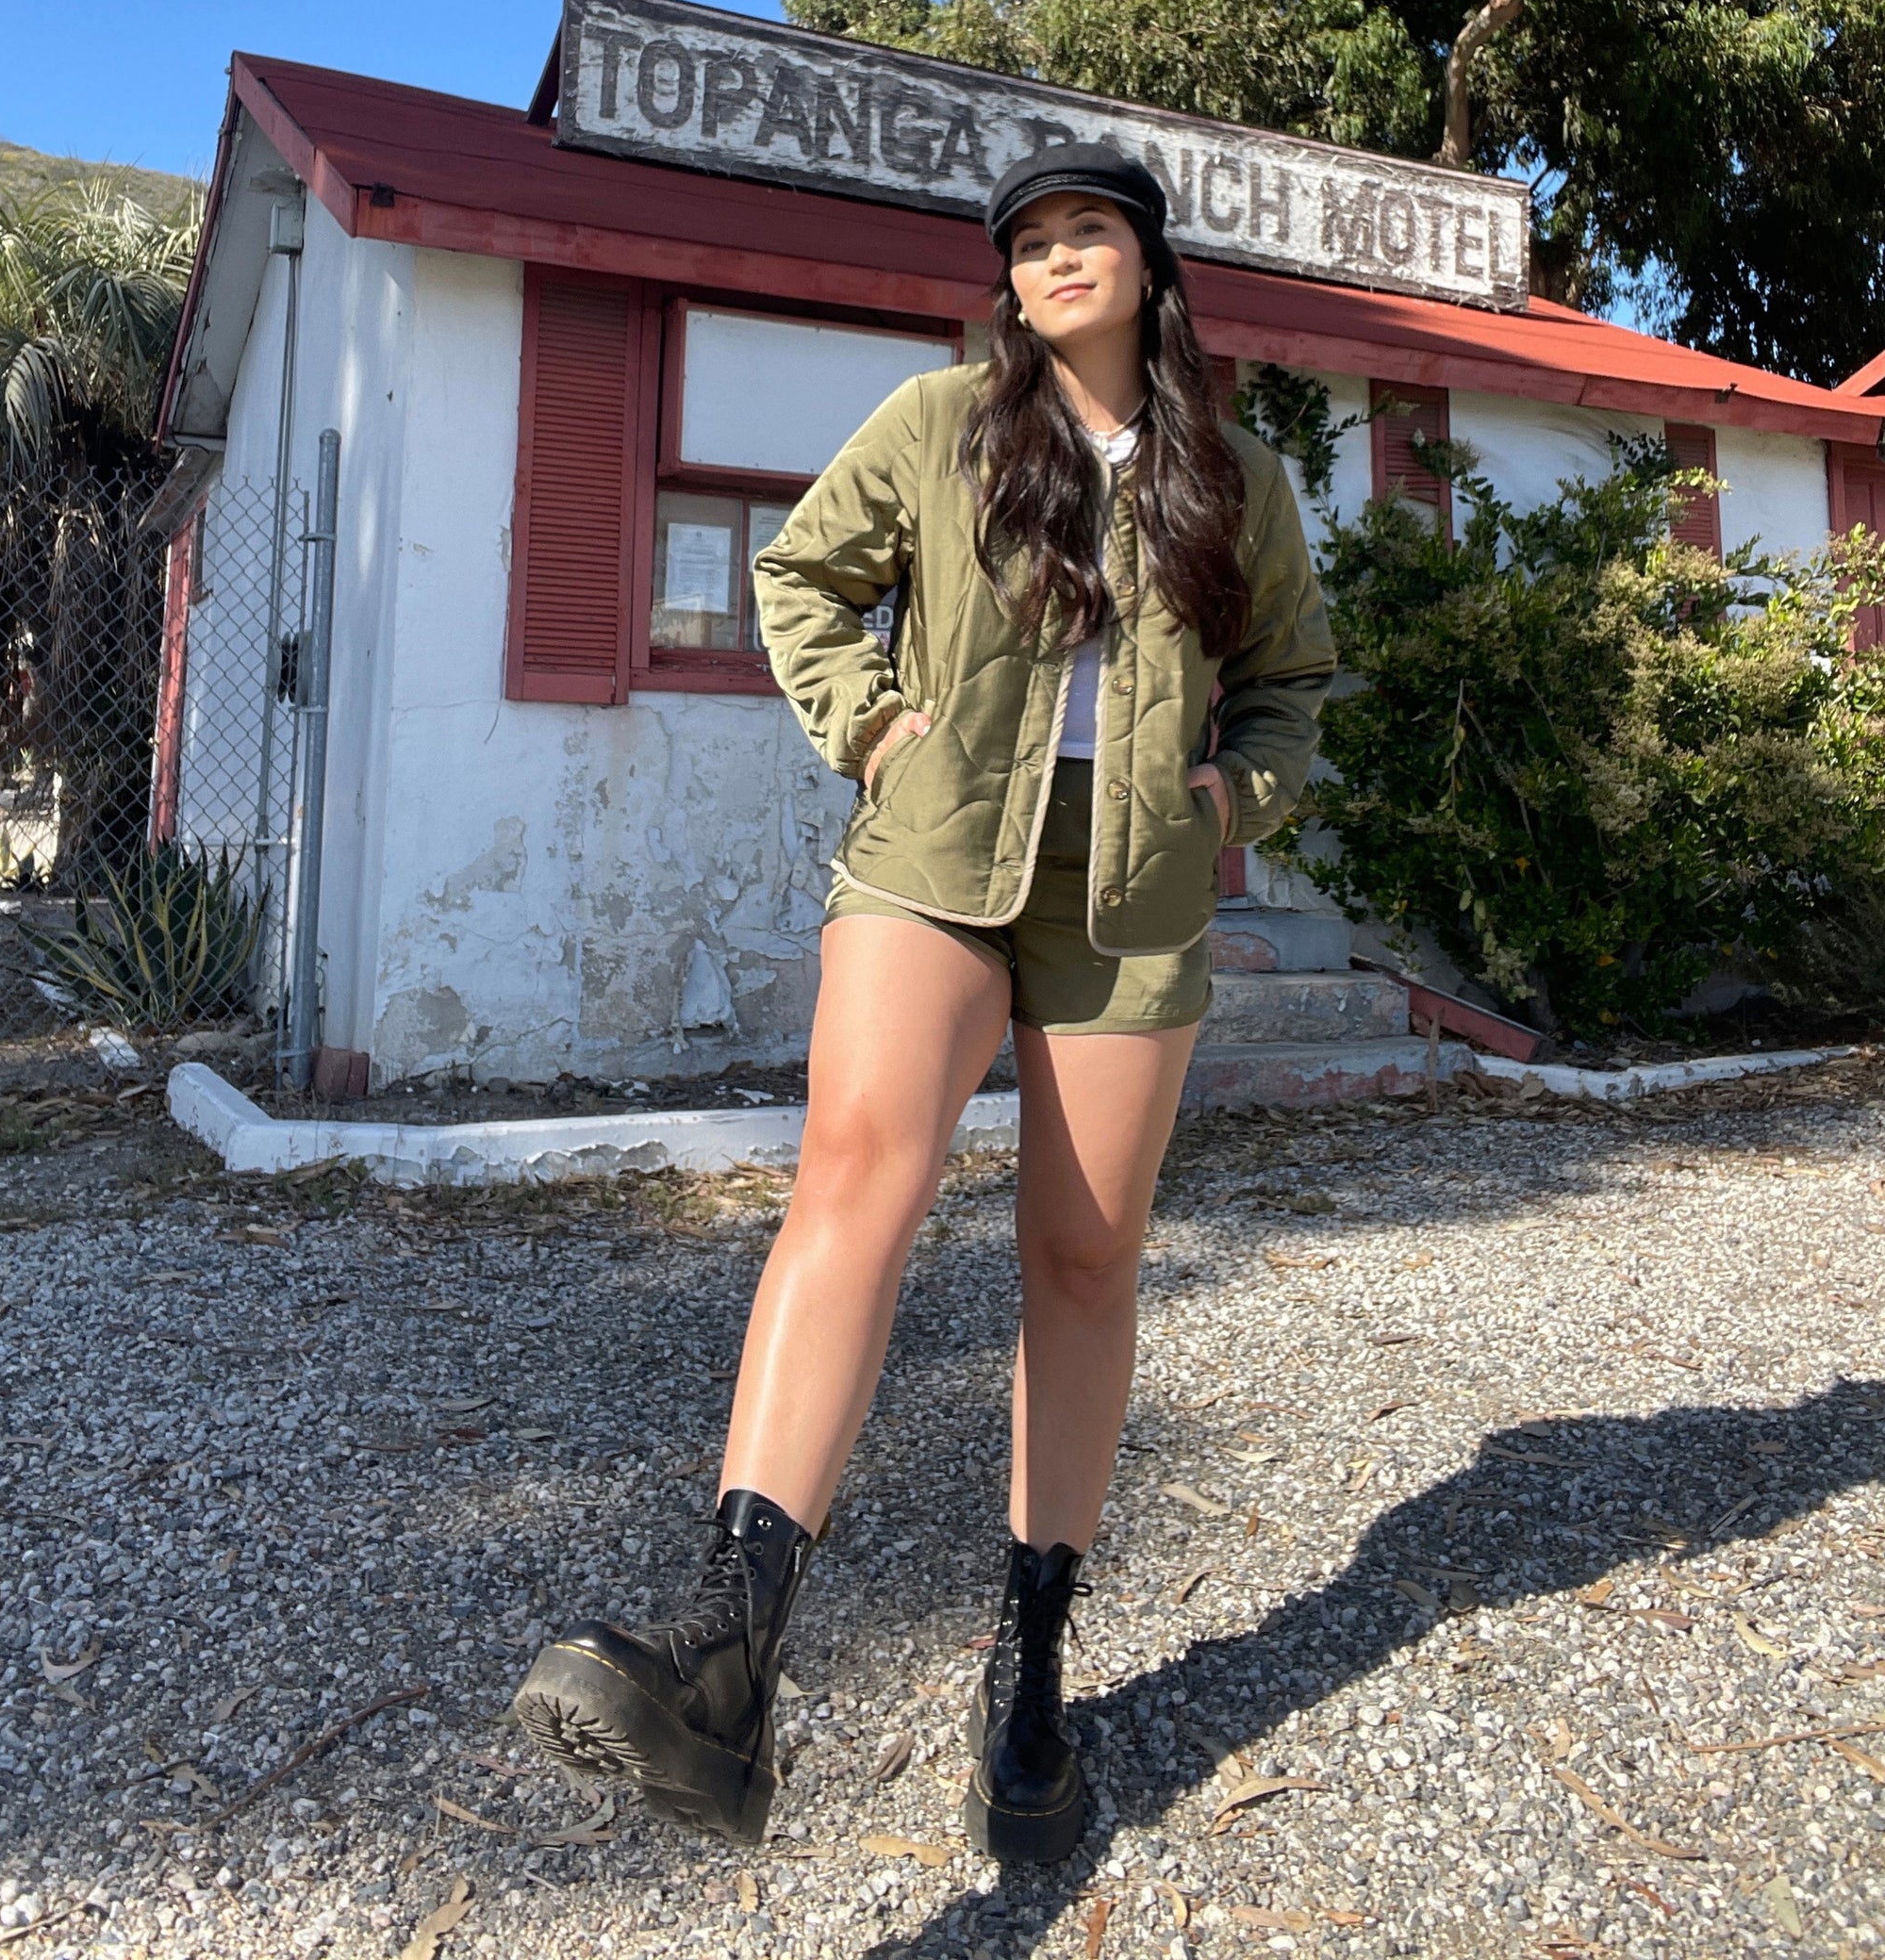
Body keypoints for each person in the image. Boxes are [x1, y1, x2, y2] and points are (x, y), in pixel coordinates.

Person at [514, 140, 1335, 1862]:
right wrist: (877, 729)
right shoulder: (940, 425)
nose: (1057, 259)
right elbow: (800, 577)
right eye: (1029, 243)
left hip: (1131, 893)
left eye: (1088, 230)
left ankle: (1030, 1673)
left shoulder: (1236, 475)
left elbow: (1287, 684)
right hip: (936, 856)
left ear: (1149, 262)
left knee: (1084, 1258)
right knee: (854, 1176)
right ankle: (727, 1662)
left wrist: (1235, 799)